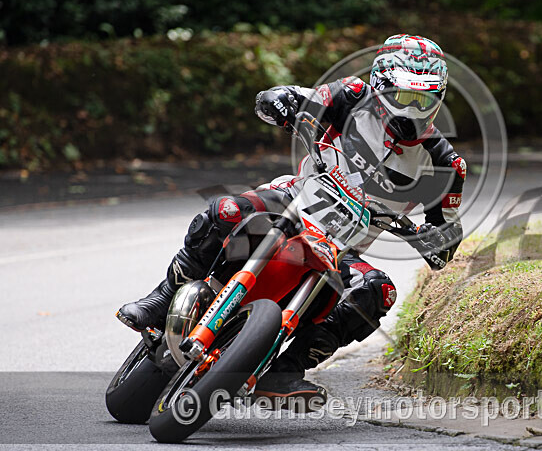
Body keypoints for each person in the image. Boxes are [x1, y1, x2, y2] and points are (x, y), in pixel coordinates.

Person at [117, 34, 466, 408]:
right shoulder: (350, 95)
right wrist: (280, 101)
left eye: (425, 99)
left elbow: (446, 226)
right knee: (225, 210)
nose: (413, 109)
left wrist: (440, 241)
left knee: (377, 291)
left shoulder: (447, 164)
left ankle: (287, 372)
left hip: (341, 248)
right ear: (380, 85)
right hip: (291, 204)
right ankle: (160, 298)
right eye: (405, 97)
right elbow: (298, 97)